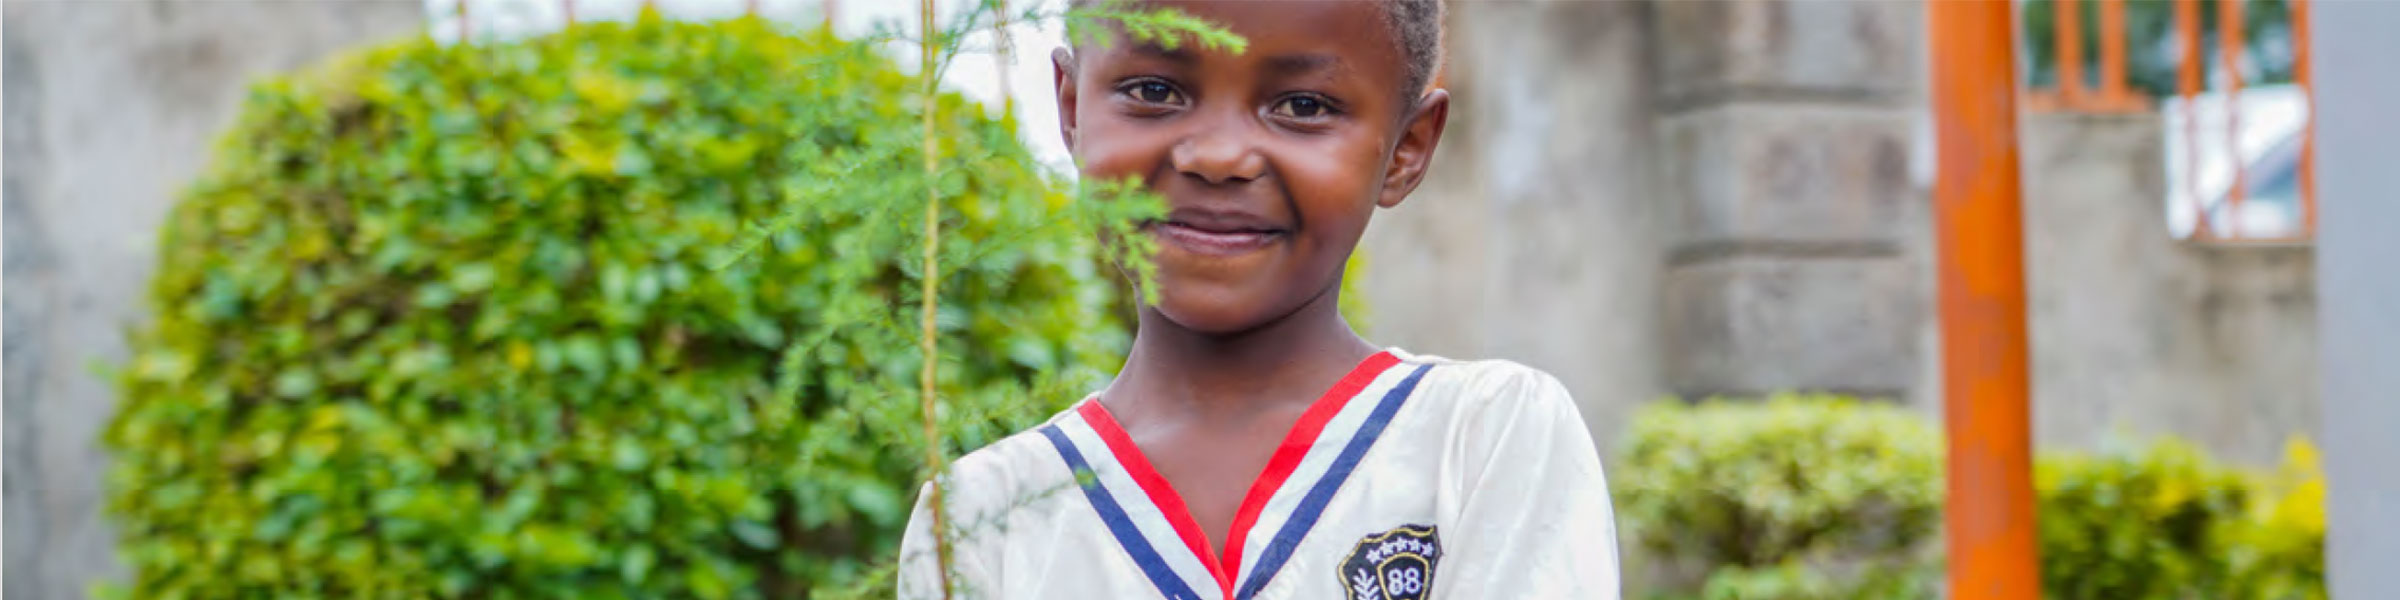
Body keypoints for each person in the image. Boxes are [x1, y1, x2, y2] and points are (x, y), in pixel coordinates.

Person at [899, 1, 1618, 598]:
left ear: (1406, 147)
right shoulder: (976, 520)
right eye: (1154, 91)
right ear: (1071, 106)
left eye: (1303, 105)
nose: (1216, 156)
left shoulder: (1483, 440)